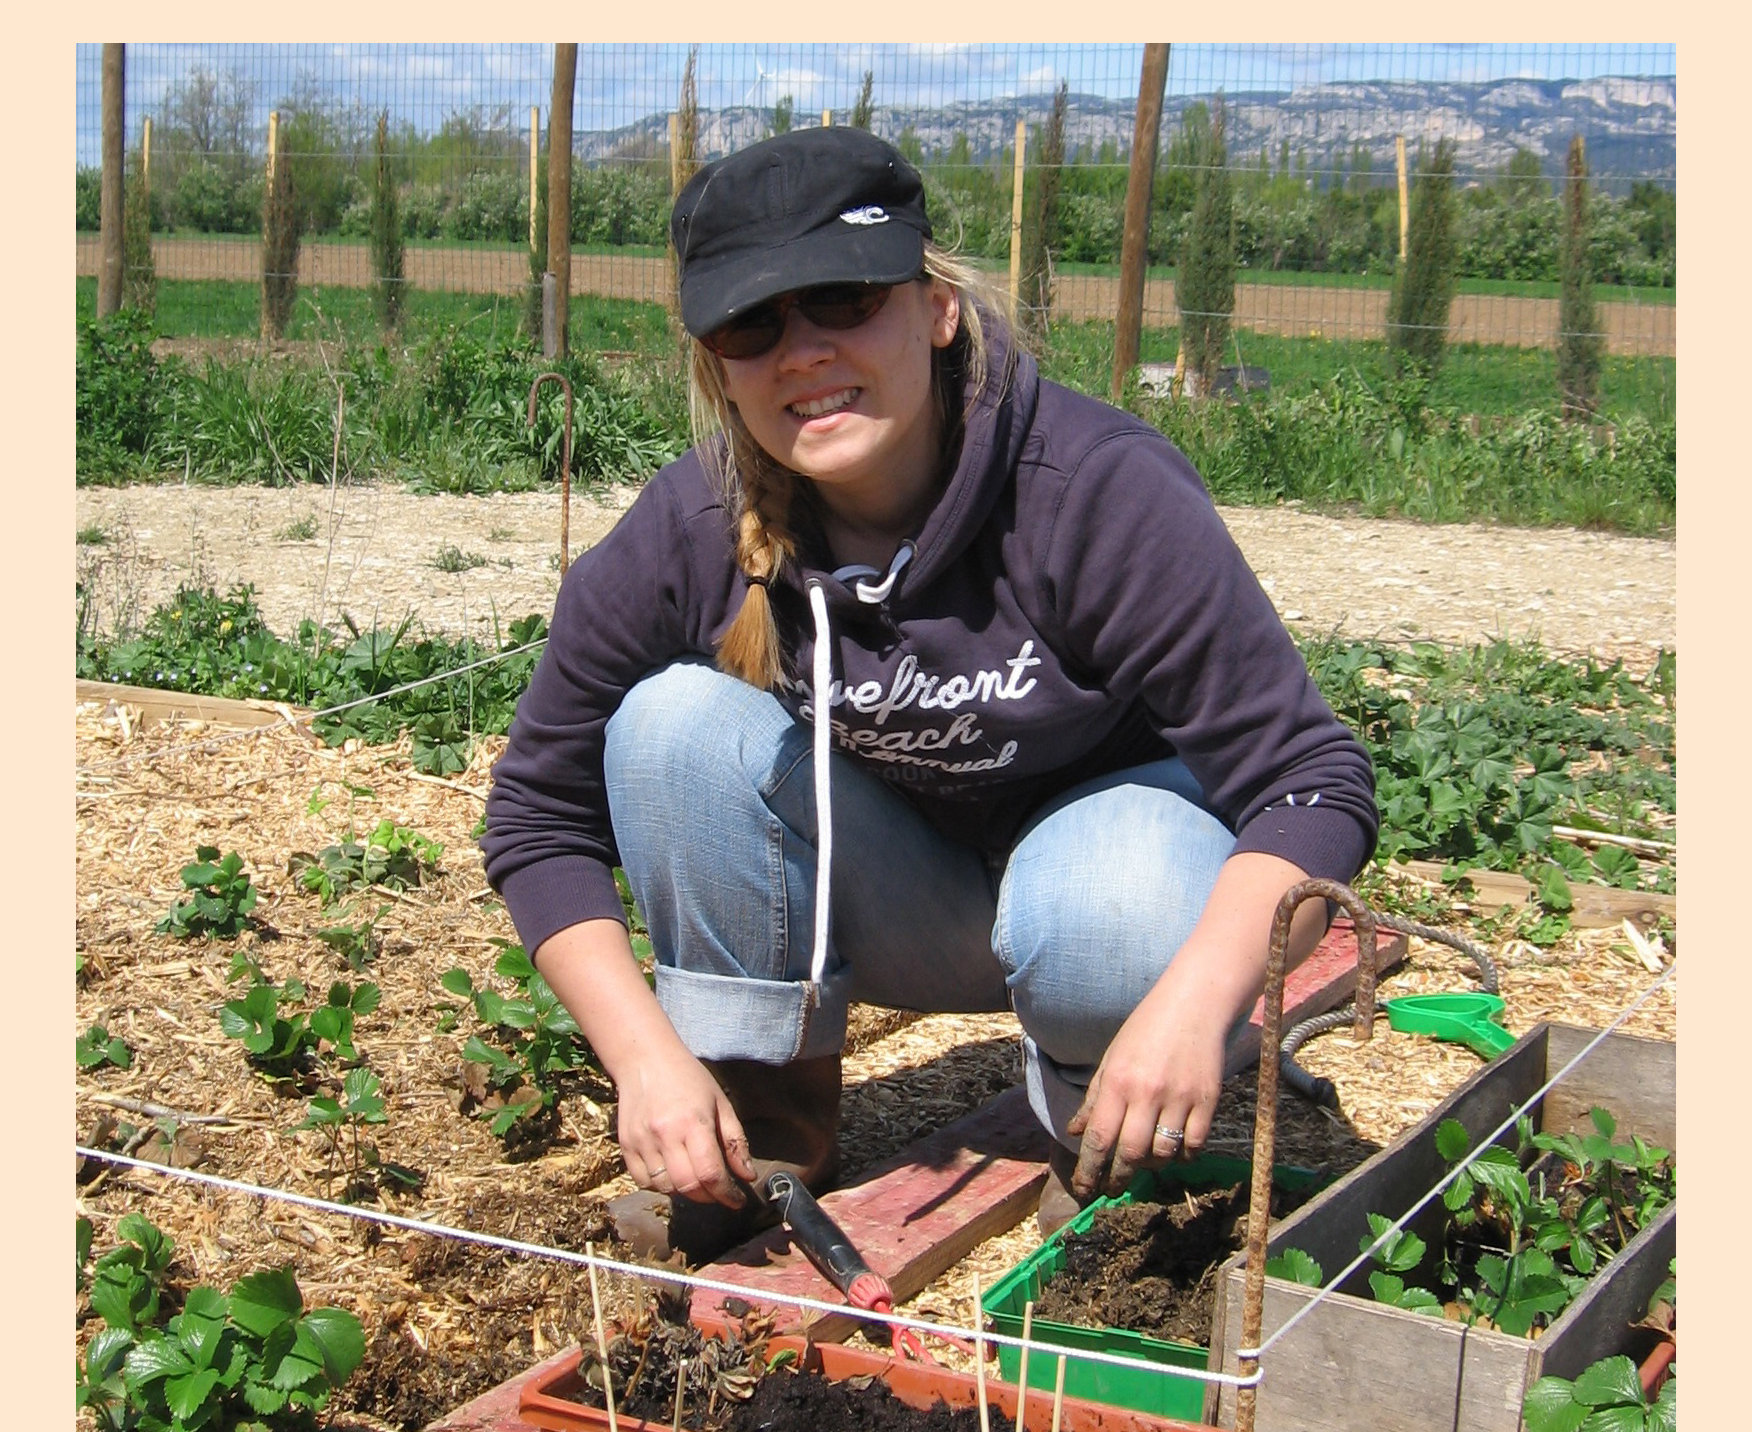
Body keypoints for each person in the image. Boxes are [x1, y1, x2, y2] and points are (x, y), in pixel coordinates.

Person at [481, 125, 1377, 1264]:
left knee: (1115, 903)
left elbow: (1312, 781)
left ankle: (1109, 1133)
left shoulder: (1093, 491)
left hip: (1099, 884)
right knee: (671, 725)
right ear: (714, 360)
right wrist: (646, 1054)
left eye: (843, 300)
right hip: (905, 895)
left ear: (934, 307)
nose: (802, 351)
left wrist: (1199, 1004)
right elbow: (535, 815)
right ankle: (762, 1136)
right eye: (753, 324)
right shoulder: (693, 525)